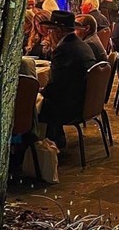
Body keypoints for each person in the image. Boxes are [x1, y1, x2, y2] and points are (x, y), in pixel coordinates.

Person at [38, 10, 96, 148]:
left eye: (50, 30)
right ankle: (58, 137)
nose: (48, 34)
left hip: (72, 108)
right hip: (85, 102)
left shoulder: (63, 50)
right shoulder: (82, 44)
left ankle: (39, 148)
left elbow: (56, 87)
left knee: (33, 106)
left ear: (58, 31)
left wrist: (39, 93)